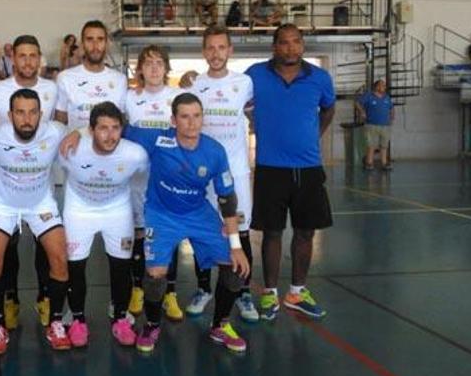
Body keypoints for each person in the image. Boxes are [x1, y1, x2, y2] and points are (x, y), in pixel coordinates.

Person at [61, 93, 250, 354]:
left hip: (199, 213)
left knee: (234, 265)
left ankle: (221, 325)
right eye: (184, 116)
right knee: (155, 275)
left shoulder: (215, 151)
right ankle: (151, 324)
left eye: (196, 116)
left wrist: (236, 244)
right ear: (173, 120)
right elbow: (112, 126)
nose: (191, 123)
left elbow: (227, 199)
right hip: (162, 214)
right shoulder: (158, 139)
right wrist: (78, 133)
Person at [245, 24, 335, 321]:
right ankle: (269, 294)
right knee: (272, 233)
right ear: (274, 46)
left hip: (308, 168)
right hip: (271, 168)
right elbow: (237, 100)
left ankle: (297, 291)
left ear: (303, 45)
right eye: (284, 43)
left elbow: (328, 110)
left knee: (305, 232)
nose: (290, 48)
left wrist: (312, 136)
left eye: (296, 42)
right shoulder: (255, 74)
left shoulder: (319, 78)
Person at [0, 88, 71, 354]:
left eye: (32, 112)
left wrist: (77, 133)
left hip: (40, 203)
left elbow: (82, 133)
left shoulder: (55, 131)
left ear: (41, 114)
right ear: (9, 115)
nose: (27, 119)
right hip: (3, 203)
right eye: (20, 112)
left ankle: (55, 322)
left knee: (60, 260)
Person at [181, 25, 258, 322]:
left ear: (230, 51)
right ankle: (204, 288)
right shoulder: (193, 85)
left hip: (235, 173)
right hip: (202, 175)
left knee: (240, 232)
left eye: (221, 47)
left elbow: (255, 112)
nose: (216, 53)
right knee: (203, 233)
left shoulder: (245, 83)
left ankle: (243, 291)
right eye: (210, 48)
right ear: (203, 52)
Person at [0, 34, 58, 329]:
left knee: (45, 242)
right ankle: (10, 298)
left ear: (40, 58)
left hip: (42, 180)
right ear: (13, 58)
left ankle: (44, 296)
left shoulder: (53, 88)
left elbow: (59, 126)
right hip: (7, 182)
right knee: (7, 243)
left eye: (33, 56)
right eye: (22, 56)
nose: (27, 61)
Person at [59, 101, 148, 347]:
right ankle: (77, 319)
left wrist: (141, 218)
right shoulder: (70, 148)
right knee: (76, 267)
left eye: (116, 128)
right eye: (103, 128)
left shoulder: (135, 154)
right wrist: (75, 132)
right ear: (90, 129)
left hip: (117, 211)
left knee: (121, 267)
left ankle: (120, 318)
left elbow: (142, 184)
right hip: (79, 211)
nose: (110, 135)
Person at [124, 45, 182, 320]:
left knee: (167, 235)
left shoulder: (178, 97)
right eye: (148, 63)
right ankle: (138, 288)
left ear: (166, 68)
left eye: (159, 63)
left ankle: (170, 292)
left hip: (168, 181)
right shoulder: (129, 98)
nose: (154, 68)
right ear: (140, 70)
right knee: (139, 233)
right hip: (137, 180)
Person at [55, 20, 127, 130]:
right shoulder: (65, 78)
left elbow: (120, 123)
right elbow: (60, 123)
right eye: (90, 40)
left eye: (100, 39)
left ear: (107, 44)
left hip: (109, 146)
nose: (95, 45)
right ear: (82, 44)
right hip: (76, 146)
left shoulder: (120, 80)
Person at [355, 79, 394, 171]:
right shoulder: (368, 96)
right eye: (381, 85)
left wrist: (392, 117)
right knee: (371, 145)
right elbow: (357, 103)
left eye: (384, 85)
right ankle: (369, 163)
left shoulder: (386, 97)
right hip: (371, 125)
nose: (384, 87)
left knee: (384, 146)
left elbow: (391, 108)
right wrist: (362, 111)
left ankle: (384, 163)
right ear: (376, 86)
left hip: (385, 126)